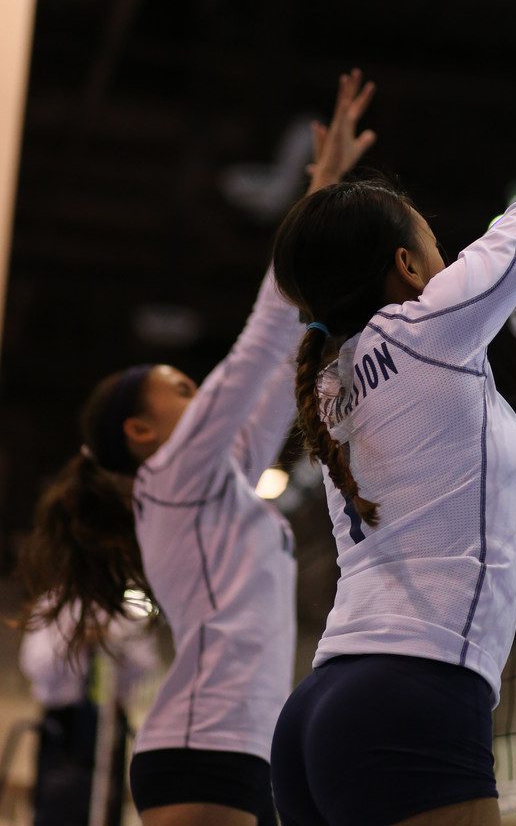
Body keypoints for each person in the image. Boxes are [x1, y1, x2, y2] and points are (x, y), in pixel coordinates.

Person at [268, 12, 516, 826]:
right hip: (412, 696)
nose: (450, 261)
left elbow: (313, 276)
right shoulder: (428, 323)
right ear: (408, 268)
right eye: (435, 247)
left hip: (318, 713)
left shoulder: (330, 380)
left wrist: (323, 197)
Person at [17, 70, 377, 826]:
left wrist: (324, 217)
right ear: (140, 433)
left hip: (246, 745)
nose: (199, 393)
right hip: (203, 745)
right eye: (181, 388)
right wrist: (312, 200)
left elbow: (280, 369)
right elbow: (258, 346)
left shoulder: (218, 480)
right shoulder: (172, 475)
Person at [19, 599, 159, 826]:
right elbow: (33, 665)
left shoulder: (128, 611)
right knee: (58, 806)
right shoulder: (52, 605)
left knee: (105, 802)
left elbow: (146, 666)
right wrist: (74, 642)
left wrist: (111, 643)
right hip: (64, 724)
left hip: (110, 723)